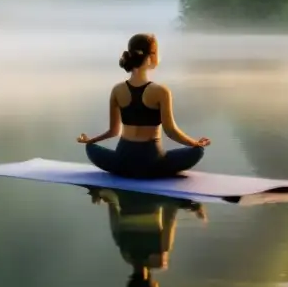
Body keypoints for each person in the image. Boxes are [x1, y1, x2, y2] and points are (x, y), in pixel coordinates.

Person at [77, 33, 210, 178]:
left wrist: (91, 141)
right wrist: (195, 143)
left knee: (90, 148)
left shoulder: (117, 90)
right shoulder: (161, 91)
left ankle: (103, 153)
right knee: (198, 151)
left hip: (123, 161)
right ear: (151, 56)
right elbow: (170, 131)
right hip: (152, 162)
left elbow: (113, 131)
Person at [87, 187, 206, 287]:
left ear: (150, 281)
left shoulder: (159, 255)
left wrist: (193, 205)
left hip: (152, 193)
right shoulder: (125, 252)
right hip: (125, 194)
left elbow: (169, 215)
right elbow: (113, 207)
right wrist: (100, 194)